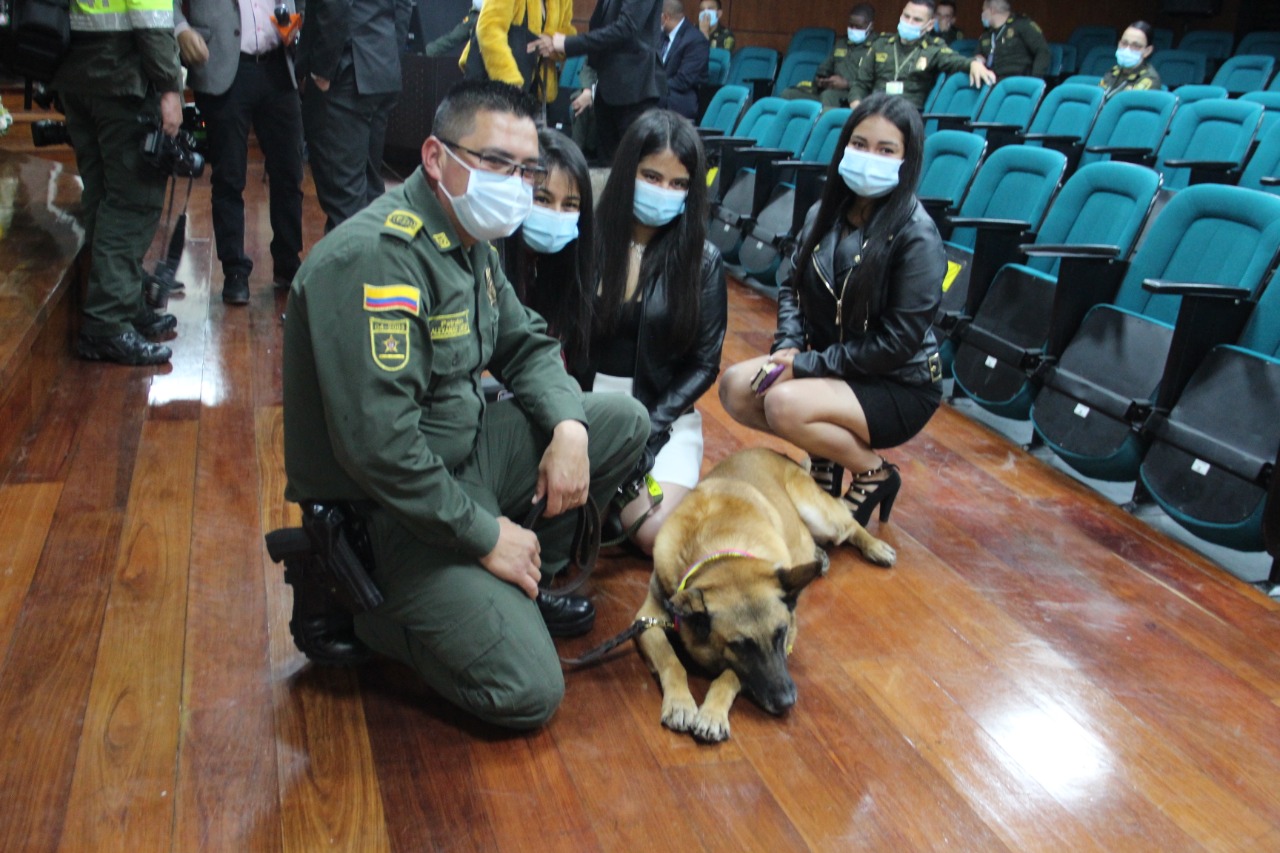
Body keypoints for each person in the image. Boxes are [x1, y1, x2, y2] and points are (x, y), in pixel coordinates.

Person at [282, 80, 649, 729]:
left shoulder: (467, 237)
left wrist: (568, 427)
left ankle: (524, 577)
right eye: (495, 162)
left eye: (525, 168)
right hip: (392, 510)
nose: (514, 182)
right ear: (435, 156)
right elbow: (381, 451)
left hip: (464, 458)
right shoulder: (378, 259)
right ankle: (359, 608)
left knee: (617, 423)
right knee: (529, 691)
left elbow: (526, 342)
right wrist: (486, 536)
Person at [718, 94, 945, 528]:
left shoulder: (917, 235)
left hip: (897, 383)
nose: (868, 157)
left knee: (783, 403)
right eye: (859, 145)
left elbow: (897, 344)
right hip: (829, 367)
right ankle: (824, 457)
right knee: (736, 388)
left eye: (885, 150)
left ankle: (873, 472)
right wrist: (787, 345)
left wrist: (804, 366)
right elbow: (791, 287)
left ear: (907, 160)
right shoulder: (826, 212)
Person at [574, 110, 727, 555]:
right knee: (573, 525)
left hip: (664, 415)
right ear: (627, 173)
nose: (664, 191)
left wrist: (651, 427)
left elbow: (704, 363)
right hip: (589, 406)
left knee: (649, 533)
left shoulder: (705, 260)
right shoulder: (585, 239)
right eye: (652, 176)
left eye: (679, 184)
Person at [55, 0, 182, 365]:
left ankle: (122, 301)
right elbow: (150, 13)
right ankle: (108, 322)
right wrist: (170, 86)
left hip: (76, 73)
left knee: (102, 196)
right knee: (132, 202)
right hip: (121, 77)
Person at [175, 0, 305, 305]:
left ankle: (288, 262)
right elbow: (163, 5)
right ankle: (234, 270)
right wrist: (180, 29)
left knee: (289, 172)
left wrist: (298, 26)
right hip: (223, 68)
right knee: (229, 177)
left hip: (278, 66)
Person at [297, 0, 414, 232]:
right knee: (369, 192)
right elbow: (404, 5)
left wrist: (321, 70)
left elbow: (335, 6)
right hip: (380, 69)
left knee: (345, 200)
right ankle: (372, 266)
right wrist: (389, 53)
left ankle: (354, 267)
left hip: (346, 73)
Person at [501, 127, 594, 373]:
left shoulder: (569, 268)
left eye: (570, 204)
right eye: (542, 199)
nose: (556, 214)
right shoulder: (490, 257)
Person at [529, 0, 663, 164]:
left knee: (631, 166)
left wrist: (568, 43)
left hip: (636, 89)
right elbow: (599, 23)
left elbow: (628, 28)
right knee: (607, 166)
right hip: (607, 86)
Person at [847, 0, 995, 110]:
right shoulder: (881, 44)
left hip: (907, 115)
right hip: (874, 110)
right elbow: (860, 84)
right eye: (906, 16)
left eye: (917, 20)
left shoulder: (933, 49)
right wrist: (858, 109)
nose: (909, 22)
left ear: (929, 25)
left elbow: (955, 61)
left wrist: (973, 64)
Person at [465, 0, 575, 103]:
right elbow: (489, 28)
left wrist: (552, 40)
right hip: (495, 85)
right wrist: (509, 80)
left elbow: (567, 31)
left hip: (533, 87)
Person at [782, 3, 877, 110]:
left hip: (854, 96)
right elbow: (824, 68)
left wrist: (847, 84)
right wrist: (822, 80)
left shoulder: (877, 47)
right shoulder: (841, 44)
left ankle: (823, 126)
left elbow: (876, 83)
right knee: (788, 94)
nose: (853, 29)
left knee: (829, 96)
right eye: (851, 25)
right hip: (829, 90)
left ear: (870, 26)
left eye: (858, 26)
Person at [657, 0, 710, 120]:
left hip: (680, 98)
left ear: (665, 17)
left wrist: (652, 86)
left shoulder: (695, 40)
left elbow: (683, 81)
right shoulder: (660, 36)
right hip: (663, 91)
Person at [972, 0, 1049, 80]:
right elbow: (978, 55)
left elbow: (1042, 51)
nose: (982, 15)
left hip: (1017, 80)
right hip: (992, 80)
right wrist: (978, 62)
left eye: (983, 10)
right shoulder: (987, 34)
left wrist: (1035, 78)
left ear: (992, 10)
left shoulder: (1022, 25)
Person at [1099, 21, 1161, 99]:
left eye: (1135, 46)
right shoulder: (1114, 71)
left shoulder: (1150, 79)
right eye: (1124, 43)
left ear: (1147, 51)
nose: (1127, 49)